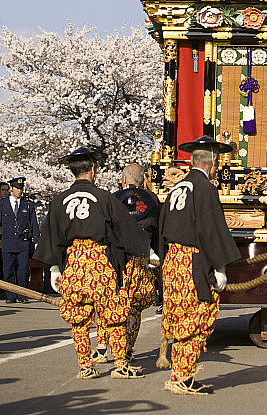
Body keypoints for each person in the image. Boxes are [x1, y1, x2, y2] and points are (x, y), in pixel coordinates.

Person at [34, 146, 149, 379]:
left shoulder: (59, 201)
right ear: (93, 170)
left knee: (79, 318)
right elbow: (125, 231)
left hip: (74, 263)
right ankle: (120, 365)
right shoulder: (104, 198)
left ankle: (86, 367)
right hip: (99, 262)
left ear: (72, 171)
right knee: (113, 313)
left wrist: (56, 268)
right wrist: (144, 253)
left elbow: (52, 237)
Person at [159, 136, 241, 395]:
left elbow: (162, 229)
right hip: (192, 261)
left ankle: (180, 375)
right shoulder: (205, 188)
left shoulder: (176, 188)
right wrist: (219, 266)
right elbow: (210, 229)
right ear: (213, 162)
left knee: (180, 316)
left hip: (172, 260)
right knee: (196, 316)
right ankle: (183, 377)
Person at [92, 163, 157, 364]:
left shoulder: (112, 199)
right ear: (143, 180)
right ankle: (128, 347)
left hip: (116, 259)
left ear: (123, 180)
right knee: (134, 306)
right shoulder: (152, 199)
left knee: (107, 301)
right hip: (141, 258)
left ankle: (102, 347)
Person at [0, 177, 39, 304]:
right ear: (11, 188)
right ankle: (10, 295)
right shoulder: (3, 204)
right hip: (8, 241)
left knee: (23, 270)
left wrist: (36, 240)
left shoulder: (27, 204)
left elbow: (34, 223)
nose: (19, 191)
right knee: (8, 269)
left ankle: (22, 294)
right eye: (17, 188)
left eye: (21, 188)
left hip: (23, 242)